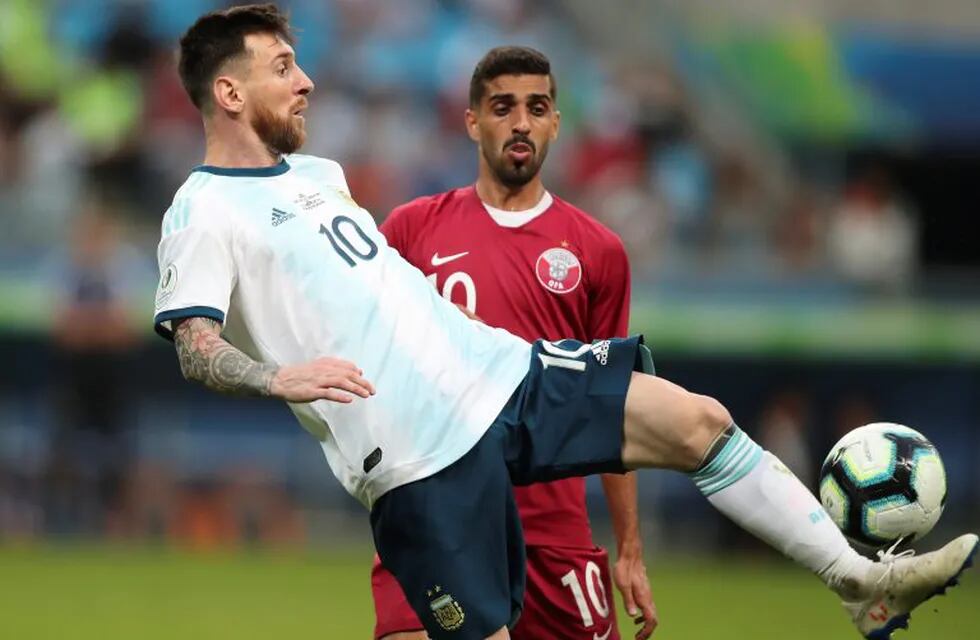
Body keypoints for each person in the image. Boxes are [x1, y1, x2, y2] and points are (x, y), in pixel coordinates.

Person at [155, 5, 977, 640]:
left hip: (499, 374)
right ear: (229, 92)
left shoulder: (320, 173)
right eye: (283, 68)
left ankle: (856, 581)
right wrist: (276, 375)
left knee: (699, 420)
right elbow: (195, 344)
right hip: (416, 461)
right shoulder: (202, 212)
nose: (304, 82)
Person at [371, 47, 653, 640]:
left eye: (537, 107)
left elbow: (616, 405)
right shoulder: (409, 231)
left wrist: (629, 546)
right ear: (473, 121)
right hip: (437, 520)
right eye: (503, 107)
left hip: (554, 531)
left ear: (555, 122)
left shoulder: (597, 251)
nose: (520, 122)